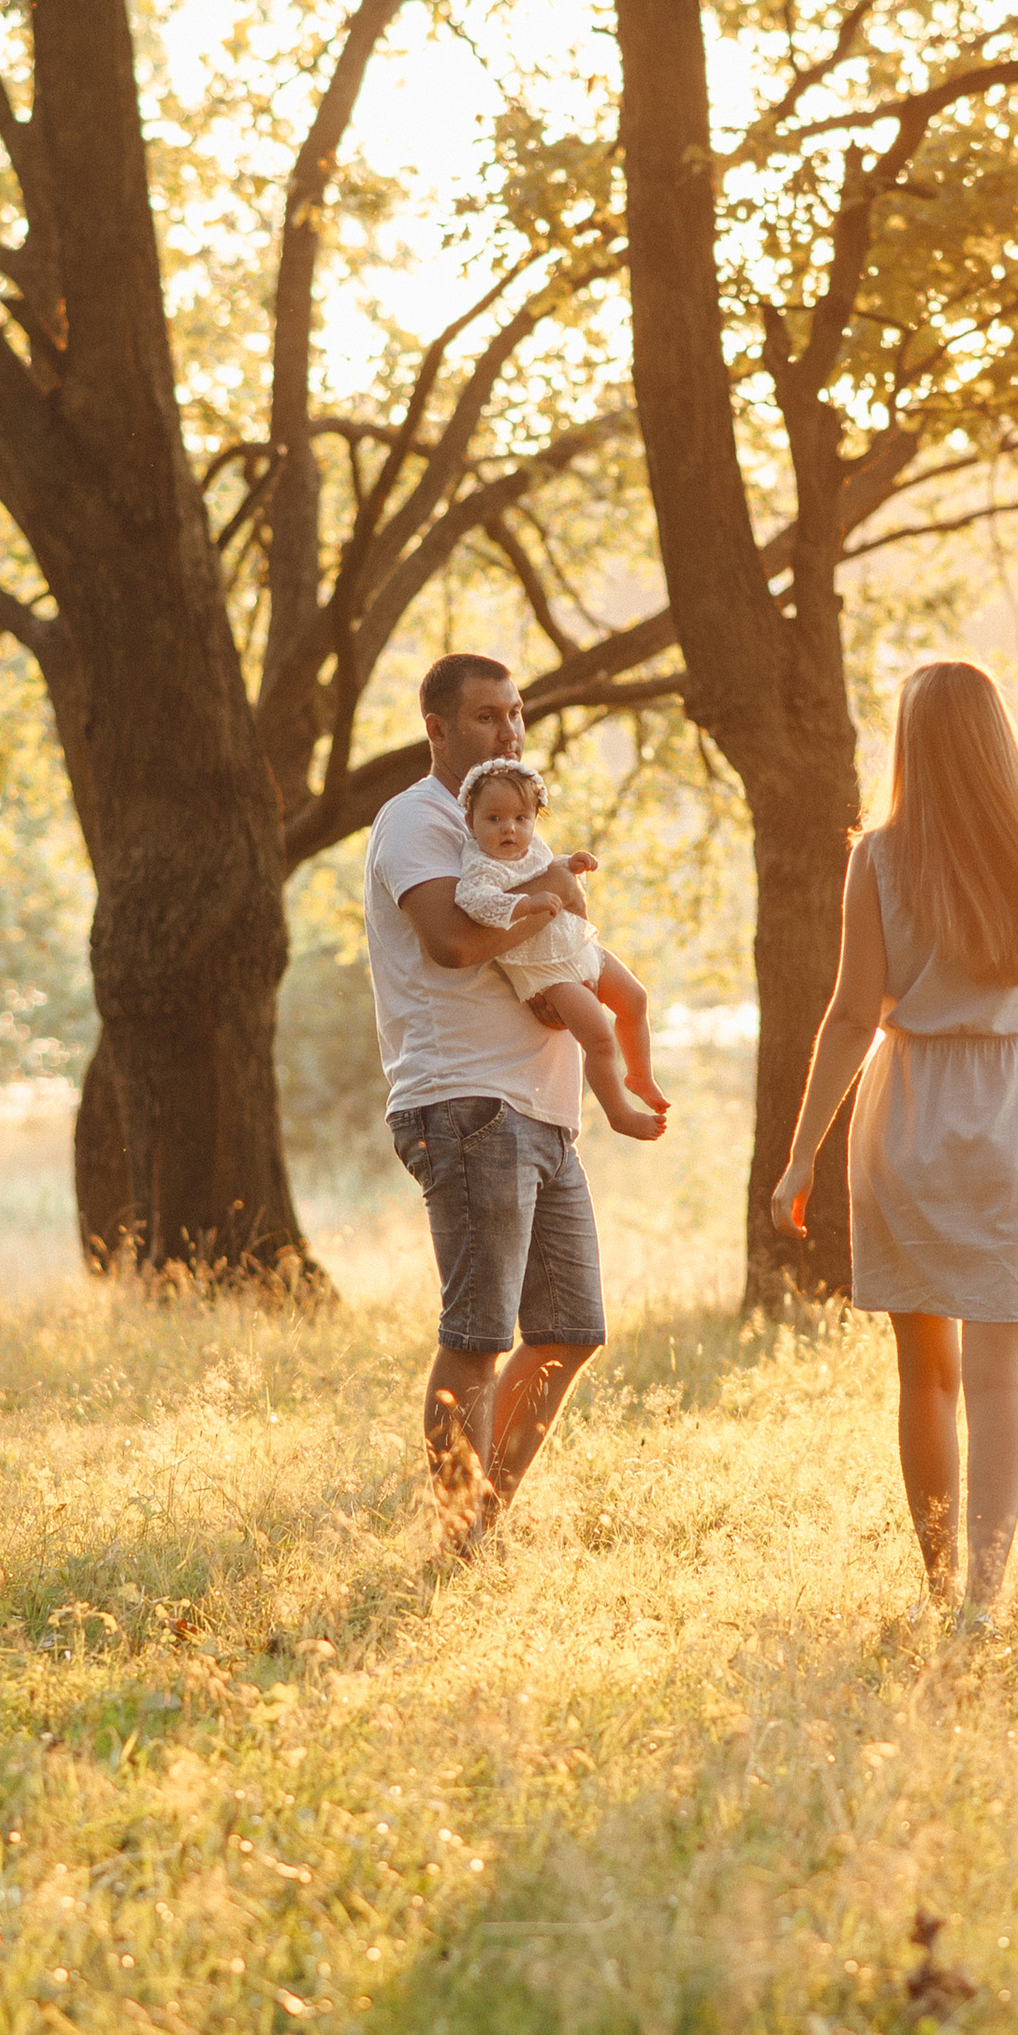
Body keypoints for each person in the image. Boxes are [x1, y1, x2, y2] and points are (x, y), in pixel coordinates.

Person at [772, 658, 1018, 1626]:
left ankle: (934, 1584)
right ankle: (983, 1604)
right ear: (999, 741)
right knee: (1003, 1378)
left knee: (925, 1373)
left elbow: (848, 1015)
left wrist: (798, 1159)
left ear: (909, 745)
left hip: (910, 1106)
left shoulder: (877, 857)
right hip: (1015, 1107)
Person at [365, 653, 665, 1551]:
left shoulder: (515, 828)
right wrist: (547, 899)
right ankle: (460, 1539)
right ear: (439, 729)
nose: (509, 730)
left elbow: (571, 944)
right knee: (479, 1337)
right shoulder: (415, 821)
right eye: (489, 716)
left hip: (543, 1109)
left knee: (570, 1330)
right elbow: (456, 942)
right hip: (464, 1103)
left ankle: (480, 1525)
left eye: (516, 713)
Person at [454, 757, 666, 1134]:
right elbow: (476, 902)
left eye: (522, 818)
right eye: (494, 819)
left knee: (635, 999)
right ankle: (619, 1113)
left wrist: (570, 863)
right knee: (598, 1037)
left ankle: (639, 1075)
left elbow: (547, 869)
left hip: (576, 945)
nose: (510, 829)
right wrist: (524, 903)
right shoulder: (481, 866)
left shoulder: (531, 847)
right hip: (547, 972)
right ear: (471, 822)